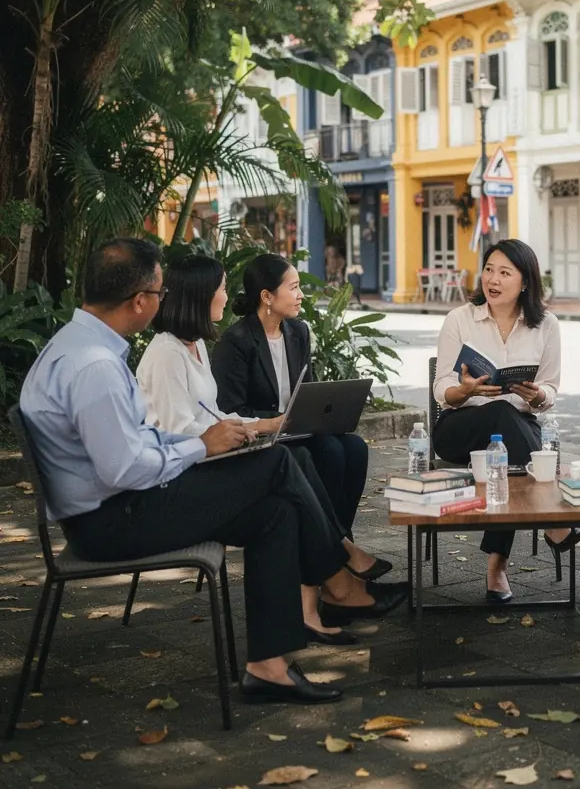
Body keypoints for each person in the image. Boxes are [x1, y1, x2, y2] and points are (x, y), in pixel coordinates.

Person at [19, 239, 405, 706]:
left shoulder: (76, 344)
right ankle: (340, 579)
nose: (164, 302)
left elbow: (138, 441)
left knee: (277, 512)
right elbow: (126, 468)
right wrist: (199, 446)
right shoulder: (94, 366)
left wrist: (198, 443)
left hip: (116, 504)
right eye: (160, 293)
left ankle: (269, 666)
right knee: (281, 461)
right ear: (139, 301)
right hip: (110, 522)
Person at [137, 254, 389, 645]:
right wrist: (254, 428)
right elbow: (176, 431)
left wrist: (257, 427)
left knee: (332, 452)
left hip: (214, 452)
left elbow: (214, 412)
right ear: (200, 296)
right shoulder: (166, 353)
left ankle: (333, 574)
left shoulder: (195, 346)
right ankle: (338, 562)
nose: (226, 296)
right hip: (187, 473)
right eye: (220, 288)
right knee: (293, 461)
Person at [432, 238, 579, 603]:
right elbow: (442, 388)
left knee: (508, 440)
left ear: (524, 282)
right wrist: (465, 391)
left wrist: (538, 395)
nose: (492, 280)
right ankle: (554, 521)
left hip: (516, 429)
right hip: (459, 427)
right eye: (488, 270)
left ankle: (497, 566)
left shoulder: (546, 325)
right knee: (501, 416)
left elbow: (550, 388)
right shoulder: (460, 319)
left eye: (504, 272)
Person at [211, 254, 377, 573]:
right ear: (267, 297)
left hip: (298, 427)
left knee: (354, 448)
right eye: (295, 287)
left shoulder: (297, 331)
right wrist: (276, 418)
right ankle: (335, 553)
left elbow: (308, 389)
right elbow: (230, 410)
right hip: (261, 435)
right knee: (329, 452)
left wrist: (325, 409)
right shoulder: (237, 342)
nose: (302, 295)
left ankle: (337, 540)